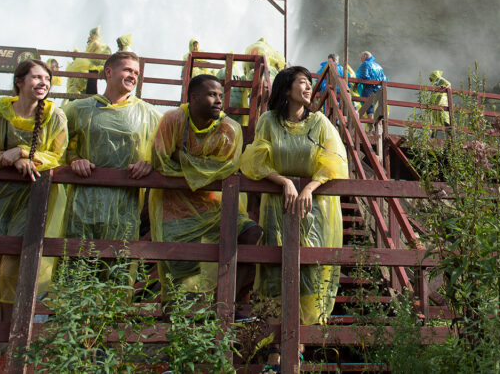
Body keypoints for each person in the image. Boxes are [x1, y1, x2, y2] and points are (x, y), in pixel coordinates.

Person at [0, 60, 68, 372]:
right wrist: (0, 157)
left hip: (31, 201)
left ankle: (3, 341)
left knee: (11, 271)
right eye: (36, 76)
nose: (43, 81)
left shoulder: (55, 117)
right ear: (19, 81)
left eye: (47, 78)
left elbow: (58, 155)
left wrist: (23, 154)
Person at [240, 66, 349, 339]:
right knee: (275, 272)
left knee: (309, 275)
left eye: (310, 82)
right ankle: (276, 350)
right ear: (287, 88)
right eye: (302, 82)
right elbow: (256, 160)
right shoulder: (268, 121)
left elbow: (334, 162)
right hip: (277, 206)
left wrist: (309, 187)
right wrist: (285, 182)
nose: (309, 87)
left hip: (314, 210)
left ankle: (297, 349)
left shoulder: (320, 123)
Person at [150, 74, 262, 315]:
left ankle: (227, 301)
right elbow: (159, 161)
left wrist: (181, 158)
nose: (219, 101)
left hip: (212, 206)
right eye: (212, 95)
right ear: (193, 98)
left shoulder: (229, 129)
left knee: (251, 233)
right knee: (181, 272)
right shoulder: (173, 120)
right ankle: (175, 323)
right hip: (174, 207)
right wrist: (196, 167)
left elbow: (224, 168)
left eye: (221, 96)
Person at [63, 51, 160, 246]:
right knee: (76, 261)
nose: (133, 76)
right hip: (83, 203)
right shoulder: (79, 109)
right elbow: (57, 143)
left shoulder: (146, 113)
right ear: (109, 72)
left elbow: (167, 146)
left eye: (136, 73)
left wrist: (150, 163)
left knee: (119, 265)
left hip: (126, 204)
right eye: (127, 70)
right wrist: (74, 159)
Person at [355, 51, 388, 116]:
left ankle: (371, 125)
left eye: (361, 57)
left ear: (364, 56)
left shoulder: (365, 64)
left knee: (369, 110)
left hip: (368, 89)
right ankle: (379, 125)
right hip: (379, 90)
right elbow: (384, 79)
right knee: (378, 111)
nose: (360, 59)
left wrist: (356, 84)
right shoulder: (379, 66)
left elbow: (364, 76)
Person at [84, 26, 111, 95]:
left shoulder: (98, 45)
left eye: (91, 35)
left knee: (92, 78)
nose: (89, 37)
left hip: (97, 68)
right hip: (93, 68)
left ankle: (90, 95)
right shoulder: (96, 44)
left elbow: (89, 56)